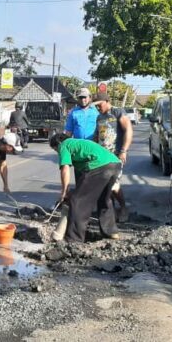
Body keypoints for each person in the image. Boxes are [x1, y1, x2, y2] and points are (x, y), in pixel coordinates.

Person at [50, 133, 121, 242]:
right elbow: (83, 179)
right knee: (104, 199)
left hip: (99, 166)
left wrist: (64, 192)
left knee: (77, 201)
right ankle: (111, 232)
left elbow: (65, 169)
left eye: (55, 150)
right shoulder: (78, 144)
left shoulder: (64, 145)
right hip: (114, 164)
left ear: (58, 144)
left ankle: (74, 239)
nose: (57, 153)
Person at [92, 92, 133, 221]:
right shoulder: (99, 117)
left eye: (99, 105)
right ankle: (111, 212)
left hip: (115, 155)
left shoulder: (117, 112)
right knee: (105, 185)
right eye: (96, 106)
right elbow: (97, 136)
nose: (98, 108)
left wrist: (124, 150)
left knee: (114, 185)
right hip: (102, 156)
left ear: (107, 101)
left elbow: (129, 130)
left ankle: (123, 207)